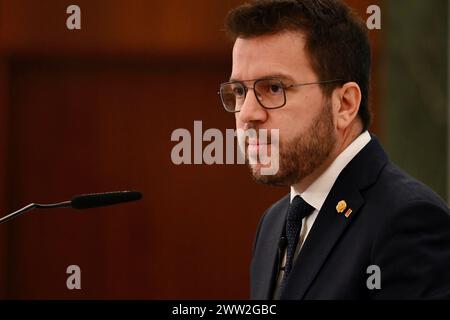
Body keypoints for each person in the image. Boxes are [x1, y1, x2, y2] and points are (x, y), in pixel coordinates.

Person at [218, 0, 450, 299]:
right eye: (239, 91)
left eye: (274, 88)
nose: (248, 112)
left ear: (345, 104)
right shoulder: (274, 223)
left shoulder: (409, 220)